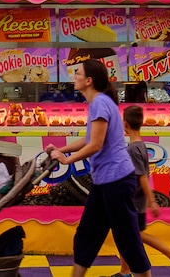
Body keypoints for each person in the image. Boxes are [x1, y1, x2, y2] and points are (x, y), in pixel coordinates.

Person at [49, 59, 151, 277]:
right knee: (87, 233)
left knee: (127, 238)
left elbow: (96, 144)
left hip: (117, 180)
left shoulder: (100, 104)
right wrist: (61, 150)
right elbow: (88, 140)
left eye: (77, 73)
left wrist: (67, 160)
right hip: (104, 181)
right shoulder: (100, 102)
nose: (74, 76)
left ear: (88, 80)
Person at [108, 105, 170, 277]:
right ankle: (125, 271)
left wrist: (151, 201)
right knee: (125, 235)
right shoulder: (140, 146)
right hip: (136, 200)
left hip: (134, 202)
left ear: (125, 124)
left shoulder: (134, 149)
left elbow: (142, 177)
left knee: (133, 235)